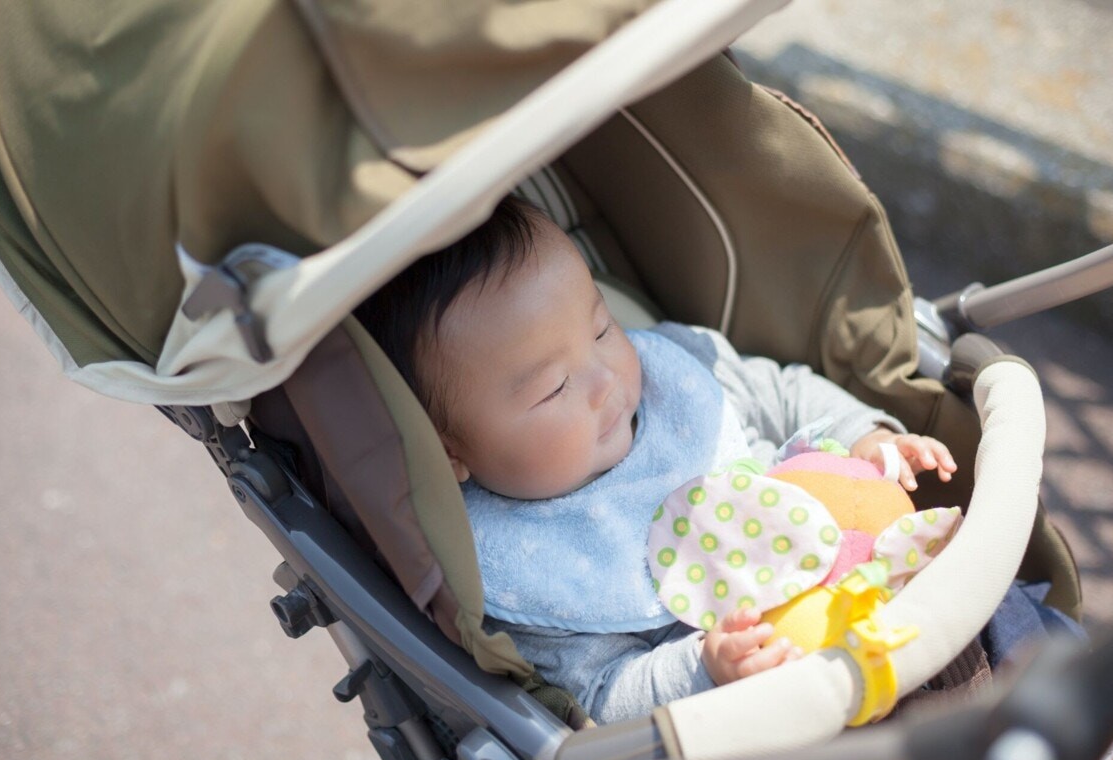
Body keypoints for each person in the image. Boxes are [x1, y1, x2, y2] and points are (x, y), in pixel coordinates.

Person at [354, 195, 957, 723]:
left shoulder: (673, 374)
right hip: (789, 705)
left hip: (896, 578)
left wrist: (867, 434)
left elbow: (779, 389)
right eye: (553, 388)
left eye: (600, 330)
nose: (604, 379)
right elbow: (599, 693)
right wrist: (702, 671)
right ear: (450, 451)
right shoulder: (529, 569)